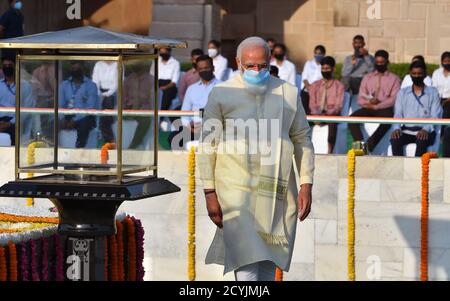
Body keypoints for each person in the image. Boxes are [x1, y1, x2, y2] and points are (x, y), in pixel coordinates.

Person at [198, 37, 314, 281]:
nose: (256, 71)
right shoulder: (221, 93)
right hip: (235, 191)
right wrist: (210, 193)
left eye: (262, 65)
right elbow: (208, 145)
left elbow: (302, 139)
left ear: (270, 61)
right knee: (247, 261)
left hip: (275, 190)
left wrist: (306, 183)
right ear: (238, 62)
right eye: (250, 66)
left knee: (268, 261)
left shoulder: (288, 93)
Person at [348, 50, 401, 153]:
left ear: (387, 62)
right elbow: (360, 97)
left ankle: (370, 145)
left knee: (387, 122)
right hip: (368, 107)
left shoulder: (394, 79)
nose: (379, 64)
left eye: (382, 62)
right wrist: (369, 103)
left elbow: (394, 99)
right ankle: (361, 146)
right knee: (352, 120)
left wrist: (378, 106)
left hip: (384, 109)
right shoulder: (368, 77)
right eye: (377, 62)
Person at [391, 60, 442, 157]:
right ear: (410, 74)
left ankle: (418, 171)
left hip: (426, 131)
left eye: (420, 73)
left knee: (421, 140)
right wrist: (397, 128)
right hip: (406, 130)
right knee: (395, 139)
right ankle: (399, 169)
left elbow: (435, 115)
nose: (417, 76)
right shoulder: (402, 92)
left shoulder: (433, 92)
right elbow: (398, 114)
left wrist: (425, 129)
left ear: (425, 74)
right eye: (414, 73)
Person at [169, 55, 220, 149]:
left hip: (213, 128)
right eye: (200, 69)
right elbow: (184, 113)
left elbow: (223, 113)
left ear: (213, 68)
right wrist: (189, 126)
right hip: (192, 128)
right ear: (197, 70)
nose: (203, 71)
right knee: (174, 137)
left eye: (206, 68)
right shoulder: (191, 89)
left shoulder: (222, 87)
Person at [59, 61, 99, 148]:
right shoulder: (64, 85)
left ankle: (79, 150)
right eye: (73, 68)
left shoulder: (91, 86)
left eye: (78, 68)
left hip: (85, 116)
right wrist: (62, 119)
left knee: (85, 123)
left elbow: (90, 108)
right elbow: (60, 105)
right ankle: (53, 150)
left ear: (83, 69)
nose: (75, 70)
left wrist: (75, 120)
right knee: (51, 122)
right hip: (68, 115)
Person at [309, 56, 345, 154]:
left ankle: (330, 152)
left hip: (332, 115)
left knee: (332, 123)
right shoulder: (315, 85)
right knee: (302, 123)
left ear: (333, 69)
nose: (325, 71)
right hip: (317, 115)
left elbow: (338, 106)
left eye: (327, 69)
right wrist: (317, 116)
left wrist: (325, 116)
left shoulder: (339, 86)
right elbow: (312, 104)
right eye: (323, 69)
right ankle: (303, 150)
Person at [0, 56, 33, 145]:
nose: (7, 67)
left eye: (10, 65)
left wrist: (10, 123)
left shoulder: (25, 86)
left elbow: (27, 110)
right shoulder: (0, 85)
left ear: (16, 66)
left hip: (16, 123)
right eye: (5, 65)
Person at [123, 63, 155, 149]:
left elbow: (153, 99)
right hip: (129, 110)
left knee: (145, 120)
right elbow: (123, 97)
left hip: (143, 110)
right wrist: (127, 104)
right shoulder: (128, 79)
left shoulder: (151, 80)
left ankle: (134, 144)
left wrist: (145, 108)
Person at [92, 60, 118, 143]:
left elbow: (117, 83)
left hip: (113, 93)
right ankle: (100, 135)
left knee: (108, 104)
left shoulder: (118, 64)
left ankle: (110, 140)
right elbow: (95, 82)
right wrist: (99, 94)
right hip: (99, 93)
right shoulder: (98, 64)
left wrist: (107, 94)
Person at [150, 47, 180, 111]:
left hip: (169, 86)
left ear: (169, 52)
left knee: (166, 97)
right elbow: (151, 75)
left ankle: (161, 116)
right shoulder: (156, 61)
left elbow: (174, 82)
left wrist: (165, 87)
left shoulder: (175, 63)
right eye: (161, 52)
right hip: (156, 84)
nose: (163, 54)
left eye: (165, 52)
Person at [30, 62, 55, 140]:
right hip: (40, 101)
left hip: (53, 102)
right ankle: (38, 138)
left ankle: (47, 139)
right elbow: (34, 90)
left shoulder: (55, 69)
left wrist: (49, 77)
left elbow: (56, 89)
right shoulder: (36, 71)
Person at [432, 51, 450, 157]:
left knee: (446, 110)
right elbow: (433, 88)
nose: (447, 63)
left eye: (449, 61)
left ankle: (444, 135)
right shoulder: (436, 73)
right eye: (445, 61)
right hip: (437, 98)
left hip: (449, 101)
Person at [301, 45, 326, 115]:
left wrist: (314, 90)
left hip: (318, 91)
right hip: (307, 89)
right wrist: (309, 88)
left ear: (324, 54)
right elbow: (304, 77)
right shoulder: (308, 63)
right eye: (316, 53)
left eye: (319, 53)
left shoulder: (324, 66)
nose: (317, 55)